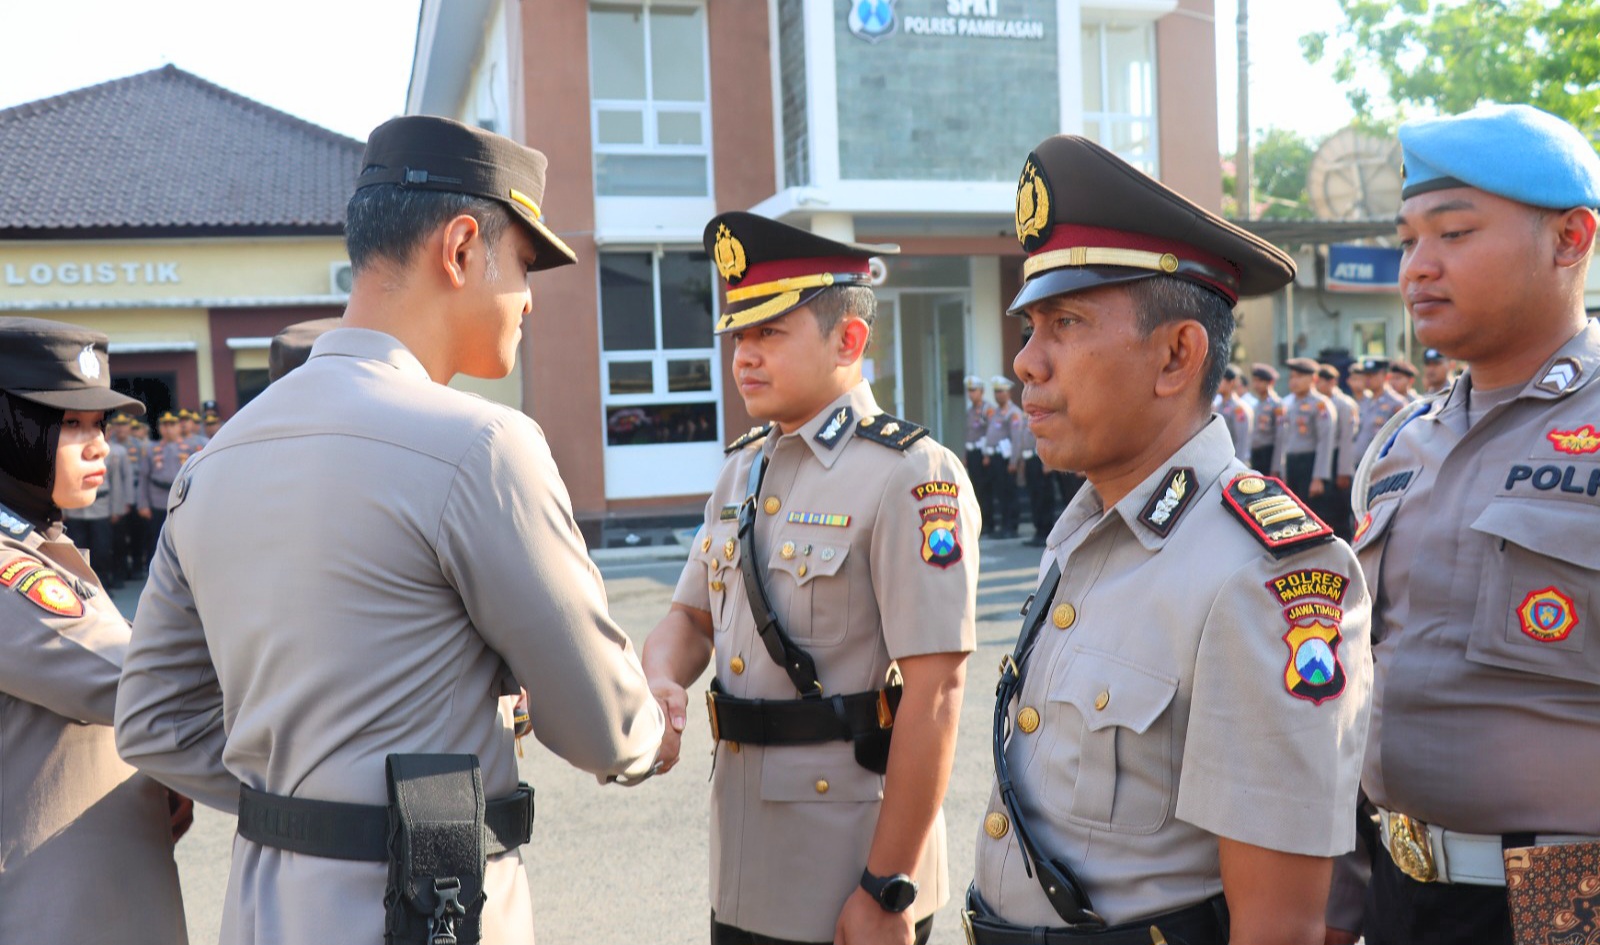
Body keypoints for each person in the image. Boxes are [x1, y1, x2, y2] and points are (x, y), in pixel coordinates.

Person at [114, 115, 665, 944]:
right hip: (423, 910)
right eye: (522, 264)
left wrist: (300, 804)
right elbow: (605, 727)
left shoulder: (215, 460)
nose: (528, 298)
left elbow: (152, 717)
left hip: (264, 910)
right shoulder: (479, 445)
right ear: (461, 246)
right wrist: (654, 716)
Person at [967, 134, 1372, 945]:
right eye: (1028, 327)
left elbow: (1282, 926)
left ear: (1177, 355)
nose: (1027, 363)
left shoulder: (1259, 572)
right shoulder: (1081, 531)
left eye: (1066, 322)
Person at [642, 211, 978, 945]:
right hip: (745, 862)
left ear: (848, 340)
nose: (744, 356)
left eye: (770, 333)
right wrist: (663, 675)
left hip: (849, 869)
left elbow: (937, 690)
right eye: (739, 336)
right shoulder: (741, 466)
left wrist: (887, 889)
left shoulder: (910, 474)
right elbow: (691, 618)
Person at [1332, 103, 1600, 945]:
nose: (1418, 267)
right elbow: (1357, 688)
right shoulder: (1399, 442)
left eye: (1453, 234)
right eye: (1409, 239)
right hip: (1398, 886)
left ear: (1570, 239)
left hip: (1568, 896)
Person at [0, 317, 188, 943]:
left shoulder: (40, 543)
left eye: (99, 424)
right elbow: (144, 680)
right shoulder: (9, 571)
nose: (99, 444)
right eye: (70, 423)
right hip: (55, 912)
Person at [1272, 357, 1336, 511]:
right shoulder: (1287, 403)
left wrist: (1319, 478)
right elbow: (1283, 440)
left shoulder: (1321, 404)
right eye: (1292, 377)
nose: (1294, 381)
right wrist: (1282, 471)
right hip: (1292, 463)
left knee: (1312, 513)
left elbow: (1325, 442)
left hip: (1310, 463)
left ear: (1313, 378)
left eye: (1300, 377)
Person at [136, 410, 195, 566]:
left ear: (179, 427)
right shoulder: (150, 449)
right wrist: (143, 504)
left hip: (183, 500)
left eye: (172, 424)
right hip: (157, 500)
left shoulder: (191, 448)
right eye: (164, 425)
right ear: (160, 428)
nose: (168, 428)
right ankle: (155, 570)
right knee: (156, 538)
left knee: (183, 538)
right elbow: (143, 477)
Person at [1319, 363, 1361, 539]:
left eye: (1320, 381)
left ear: (1332, 382)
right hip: (1328, 461)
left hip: (1340, 462)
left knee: (1341, 517)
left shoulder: (1344, 404)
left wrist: (1344, 472)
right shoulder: (1322, 403)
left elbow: (1347, 440)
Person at [984, 375, 1024, 538]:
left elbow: (1016, 439)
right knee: (1000, 493)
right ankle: (1004, 526)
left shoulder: (1013, 413)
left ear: (1008, 393)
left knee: (1009, 493)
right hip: (996, 459)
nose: (998, 395)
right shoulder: (995, 412)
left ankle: (1011, 526)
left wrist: (1014, 461)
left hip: (1007, 460)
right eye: (996, 392)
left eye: (1001, 391)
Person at [1349, 357, 1406, 469]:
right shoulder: (1364, 401)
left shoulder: (1396, 403)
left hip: (1381, 466)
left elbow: (1401, 439)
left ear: (1386, 376)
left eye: (1373, 375)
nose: (1368, 379)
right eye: (1366, 375)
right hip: (1360, 465)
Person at [963, 374, 996, 528]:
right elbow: (969, 434)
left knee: (984, 489)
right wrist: (965, 455)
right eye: (969, 390)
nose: (971, 394)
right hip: (973, 453)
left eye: (974, 390)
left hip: (983, 453)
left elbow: (991, 432)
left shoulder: (987, 409)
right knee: (975, 488)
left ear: (981, 391)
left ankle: (988, 522)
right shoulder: (970, 411)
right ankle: (980, 523)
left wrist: (987, 454)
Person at [1247, 363, 1283, 471]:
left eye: (1260, 381)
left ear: (1271, 382)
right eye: (1254, 381)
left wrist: (1276, 467)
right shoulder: (1256, 404)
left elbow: (1280, 437)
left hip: (1268, 453)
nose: (1256, 385)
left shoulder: (1277, 405)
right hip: (1256, 453)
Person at [1217, 364, 1254, 464]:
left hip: (1235, 462)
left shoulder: (1238, 408)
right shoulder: (1219, 406)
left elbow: (1242, 441)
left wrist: (1238, 467)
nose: (1216, 383)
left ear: (1231, 383)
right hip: (1222, 461)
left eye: (1220, 379)